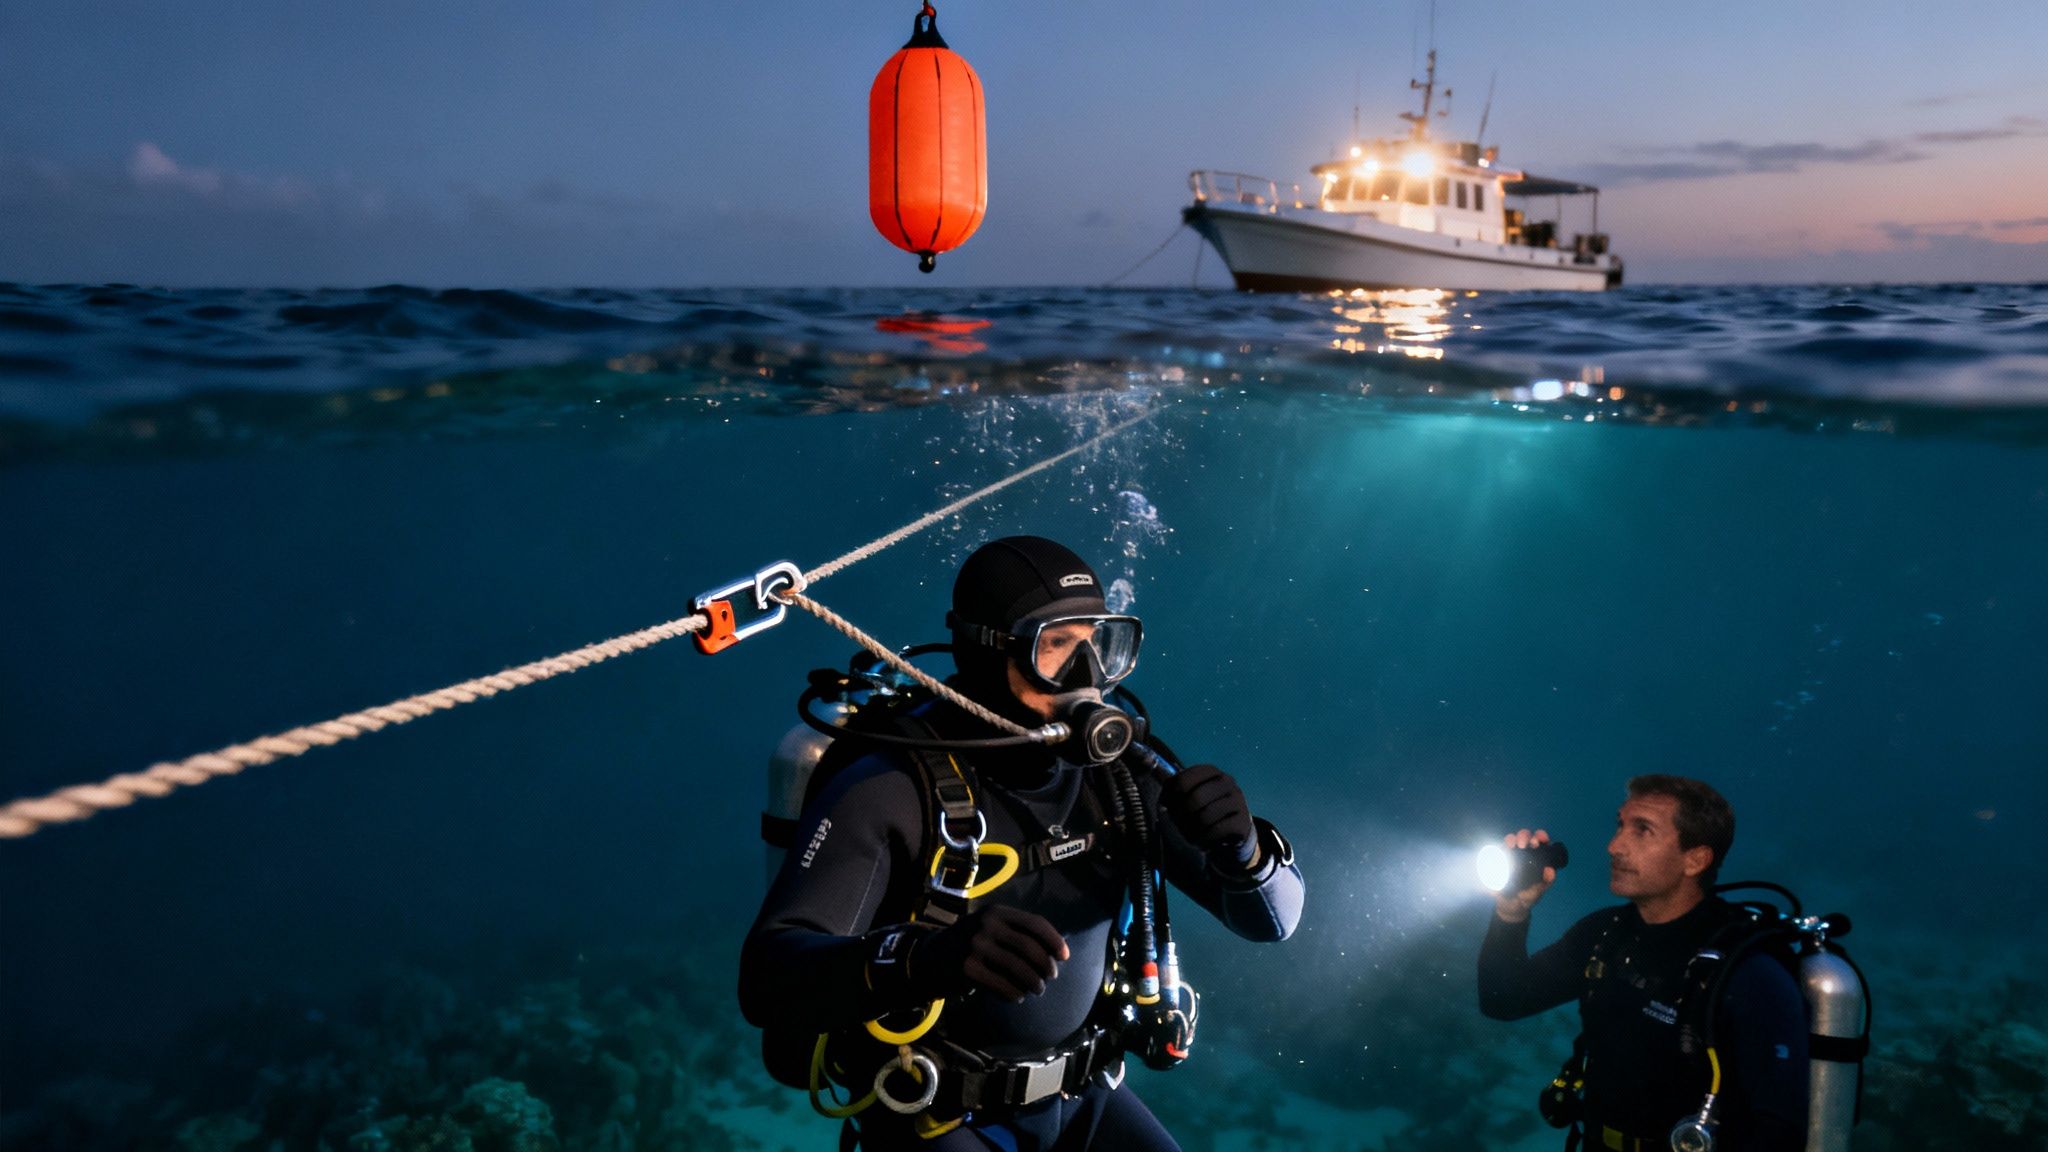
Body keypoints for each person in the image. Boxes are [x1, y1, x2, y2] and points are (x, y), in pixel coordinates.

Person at [740, 535, 1304, 1151]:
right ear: (986, 653)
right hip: (929, 1108)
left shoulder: (1123, 778)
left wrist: (1245, 852)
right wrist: (927, 960)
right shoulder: (889, 785)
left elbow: (1272, 922)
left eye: (1101, 644)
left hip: (1085, 1092)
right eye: (1056, 646)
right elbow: (769, 980)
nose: (1087, 678)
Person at [1477, 775, 1809, 1152]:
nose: (1614, 846)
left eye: (1643, 830)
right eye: (1620, 825)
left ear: (1695, 859)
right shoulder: (1603, 935)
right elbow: (1502, 1000)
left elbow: (1781, 1129)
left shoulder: (1745, 970)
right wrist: (1511, 911)